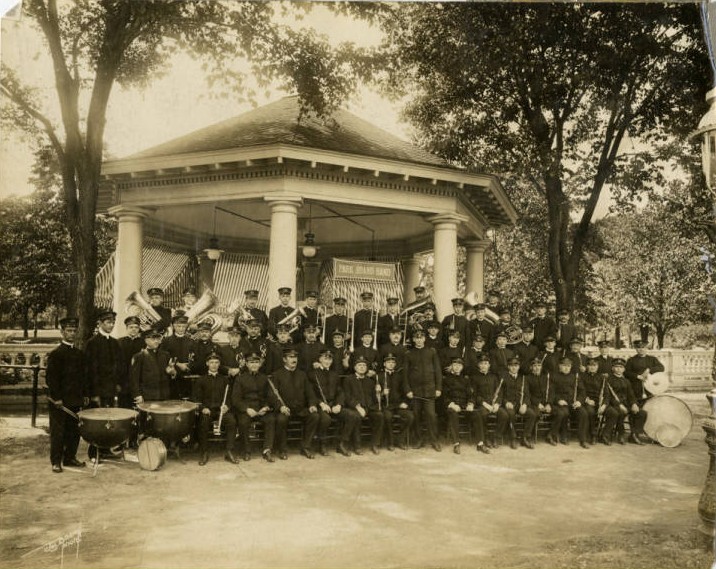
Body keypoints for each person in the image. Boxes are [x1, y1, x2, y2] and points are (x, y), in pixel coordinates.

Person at [46, 317, 88, 473]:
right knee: (58, 432)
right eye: (68, 331)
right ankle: (56, 461)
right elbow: (52, 379)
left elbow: (84, 377)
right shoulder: (56, 354)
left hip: (75, 400)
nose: (71, 333)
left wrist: (84, 395)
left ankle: (70, 458)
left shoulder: (79, 354)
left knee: (74, 431)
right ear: (62, 332)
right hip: (60, 402)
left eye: (74, 331)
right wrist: (56, 398)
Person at [268, 348, 319, 460]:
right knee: (281, 420)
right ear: (284, 359)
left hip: (300, 409)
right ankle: (282, 449)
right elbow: (272, 395)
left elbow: (310, 392)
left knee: (314, 416)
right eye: (290, 357)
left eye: (295, 357)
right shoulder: (277, 374)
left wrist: (312, 404)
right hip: (285, 409)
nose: (294, 359)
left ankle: (305, 446)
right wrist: (280, 407)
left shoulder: (302, 374)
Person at [194, 352, 237, 466]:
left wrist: (227, 406)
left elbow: (230, 397)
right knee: (203, 422)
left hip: (221, 410)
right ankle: (204, 451)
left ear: (219, 364)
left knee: (232, 421)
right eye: (211, 362)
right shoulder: (201, 380)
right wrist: (202, 408)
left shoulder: (225, 380)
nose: (214, 365)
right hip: (207, 410)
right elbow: (196, 398)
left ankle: (229, 451)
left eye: (216, 362)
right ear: (207, 363)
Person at [232, 353, 276, 462]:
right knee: (243, 422)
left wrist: (266, 407)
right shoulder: (240, 379)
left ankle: (267, 449)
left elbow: (271, 396)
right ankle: (246, 450)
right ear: (246, 364)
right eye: (251, 362)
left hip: (262, 409)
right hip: (247, 410)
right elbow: (236, 399)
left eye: (256, 362)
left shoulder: (265, 378)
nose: (254, 365)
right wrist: (246, 409)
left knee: (271, 419)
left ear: (260, 364)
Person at [405, 329, 442, 452]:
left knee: (431, 416)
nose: (419, 340)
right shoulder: (409, 354)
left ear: (424, 339)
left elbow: (438, 371)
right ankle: (419, 439)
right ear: (414, 339)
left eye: (421, 338)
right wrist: (408, 390)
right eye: (417, 338)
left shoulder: (431, 352)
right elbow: (405, 374)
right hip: (415, 392)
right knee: (416, 416)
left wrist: (438, 388)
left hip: (429, 390)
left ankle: (434, 440)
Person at [342, 356, 384, 455]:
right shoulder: (348, 379)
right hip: (355, 407)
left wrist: (378, 393)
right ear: (355, 367)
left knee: (379, 416)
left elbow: (374, 399)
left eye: (364, 365)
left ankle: (375, 443)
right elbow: (347, 397)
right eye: (359, 365)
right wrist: (358, 407)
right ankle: (357, 446)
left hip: (369, 408)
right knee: (357, 416)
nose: (362, 367)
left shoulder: (370, 381)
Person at [307, 350, 346, 456]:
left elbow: (340, 392)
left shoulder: (334, 374)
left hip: (333, 404)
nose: (327, 361)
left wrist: (339, 404)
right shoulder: (312, 374)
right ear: (319, 359)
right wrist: (321, 404)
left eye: (330, 359)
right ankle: (322, 444)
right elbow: (310, 393)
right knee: (326, 419)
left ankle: (340, 443)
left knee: (351, 416)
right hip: (320, 405)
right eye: (325, 358)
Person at [548, 356, 589, 448]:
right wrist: (558, 400)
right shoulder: (554, 377)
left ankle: (583, 439)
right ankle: (562, 435)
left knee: (583, 413)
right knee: (564, 413)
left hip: (573, 403)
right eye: (564, 365)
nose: (566, 368)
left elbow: (582, 391)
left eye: (568, 366)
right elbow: (551, 392)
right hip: (560, 403)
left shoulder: (575, 377)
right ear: (559, 366)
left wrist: (579, 401)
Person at [85, 310, 123, 407]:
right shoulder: (92, 343)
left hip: (111, 389)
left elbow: (118, 365)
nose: (111, 325)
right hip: (98, 390)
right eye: (108, 322)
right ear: (100, 323)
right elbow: (90, 369)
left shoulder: (115, 342)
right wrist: (94, 393)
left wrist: (117, 384)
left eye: (113, 323)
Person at [129, 327, 175, 404]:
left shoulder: (166, 355)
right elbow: (134, 379)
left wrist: (172, 372)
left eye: (158, 338)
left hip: (164, 396)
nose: (157, 341)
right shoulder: (139, 356)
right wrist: (138, 395)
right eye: (153, 339)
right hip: (147, 397)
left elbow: (173, 375)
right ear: (146, 340)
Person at [378, 353, 414, 450]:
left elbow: (405, 390)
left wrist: (405, 402)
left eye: (393, 362)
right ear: (384, 364)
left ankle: (400, 439)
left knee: (410, 417)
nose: (391, 364)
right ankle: (390, 442)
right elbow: (374, 395)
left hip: (398, 405)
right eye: (388, 362)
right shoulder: (379, 376)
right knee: (388, 417)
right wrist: (382, 393)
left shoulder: (400, 376)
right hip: (386, 405)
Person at [604, 357, 644, 445]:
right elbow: (608, 396)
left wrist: (634, 404)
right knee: (621, 413)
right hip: (613, 404)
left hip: (626, 404)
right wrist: (619, 405)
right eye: (617, 367)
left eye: (621, 367)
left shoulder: (626, 381)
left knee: (642, 413)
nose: (619, 369)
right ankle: (620, 435)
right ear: (612, 368)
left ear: (624, 369)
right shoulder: (608, 380)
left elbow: (631, 395)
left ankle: (634, 435)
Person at [442, 357, 477, 454]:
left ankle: (480, 442)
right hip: (451, 405)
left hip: (463, 405)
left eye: (459, 365)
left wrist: (470, 403)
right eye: (455, 365)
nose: (457, 367)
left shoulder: (465, 380)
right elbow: (444, 396)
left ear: (462, 367)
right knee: (452, 413)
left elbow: (471, 394)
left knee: (477, 414)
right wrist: (452, 404)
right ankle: (456, 443)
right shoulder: (446, 379)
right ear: (451, 366)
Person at [501, 357, 536, 449]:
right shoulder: (504, 378)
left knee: (532, 414)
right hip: (510, 405)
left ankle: (525, 438)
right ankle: (513, 438)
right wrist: (506, 403)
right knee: (511, 414)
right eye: (511, 366)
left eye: (516, 366)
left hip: (520, 405)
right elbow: (500, 394)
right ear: (508, 367)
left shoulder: (523, 379)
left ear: (519, 367)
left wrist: (524, 404)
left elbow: (527, 395)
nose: (514, 368)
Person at [582, 356, 615, 445]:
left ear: (598, 366)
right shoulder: (583, 377)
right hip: (588, 402)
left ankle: (605, 435)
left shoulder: (602, 378)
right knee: (590, 412)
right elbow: (580, 391)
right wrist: (586, 400)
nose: (592, 367)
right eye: (590, 365)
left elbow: (607, 394)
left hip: (600, 402)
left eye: (595, 365)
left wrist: (604, 405)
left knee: (613, 413)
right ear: (587, 366)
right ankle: (593, 435)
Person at [162, 314, 195, 399]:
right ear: (173, 326)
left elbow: (194, 357)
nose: (181, 329)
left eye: (183, 326)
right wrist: (178, 364)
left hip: (187, 375)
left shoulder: (191, 341)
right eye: (178, 326)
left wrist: (189, 366)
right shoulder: (166, 341)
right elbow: (163, 357)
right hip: (172, 376)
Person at [625, 339, 665, 408]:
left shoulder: (652, 359)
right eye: (638, 347)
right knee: (638, 407)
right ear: (636, 349)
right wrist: (637, 376)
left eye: (643, 347)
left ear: (646, 348)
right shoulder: (631, 360)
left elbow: (661, 368)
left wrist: (649, 370)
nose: (641, 349)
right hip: (636, 387)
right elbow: (626, 372)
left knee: (651, 406)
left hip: (650, 386)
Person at [468, 353, 495, 453]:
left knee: (504, 414)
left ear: (489, 365)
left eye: (486, 363)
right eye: (482, 363)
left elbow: (499, 392)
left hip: (494, 404)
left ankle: (494, 438)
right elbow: (474, 394)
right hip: (481, 404)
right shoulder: (474, 377)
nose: (484, 365)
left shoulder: (493, 377)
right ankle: (484, 440)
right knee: (482, 414)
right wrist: (485, 404)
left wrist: (497, 404)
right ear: (478, 365)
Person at [117, 315, 144, 408]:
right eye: (131, 327)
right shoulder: (119, 342)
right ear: (126, 328)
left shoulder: (143, 342)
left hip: (139, 383)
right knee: (124, 409)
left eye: (136, 327)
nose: (134, 329)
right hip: (123, 382)